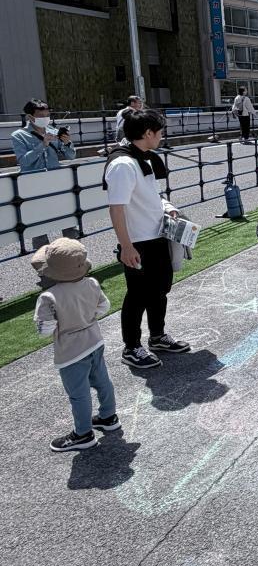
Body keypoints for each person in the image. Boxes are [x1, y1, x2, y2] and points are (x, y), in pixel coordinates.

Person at [105, 108, 190, 370]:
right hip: (138, 242)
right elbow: (116, 208)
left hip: (157, 236)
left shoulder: (144, 158)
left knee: (160, 289)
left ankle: (157, 336)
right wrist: (127, 246)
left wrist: (167, 207)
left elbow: (152, 195)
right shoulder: (123, 164)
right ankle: (131, 347)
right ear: (147, 133)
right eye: (160, 131)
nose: (162, 136)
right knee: (137, 296)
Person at [32, 238, 119, 454]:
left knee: (78, 393)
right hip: (94, 341)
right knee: (102, 380)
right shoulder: (92, 283)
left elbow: (44, 331)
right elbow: (104, 306)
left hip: (70, 352)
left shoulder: (48, 297)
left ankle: (83, 434)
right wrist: (86, 317)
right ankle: (109, 416)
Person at [12, 100, 61, 173]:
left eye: (47, 115)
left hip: (55, 177)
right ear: (30, 117)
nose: (45, 118)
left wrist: (67, 144)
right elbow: (24, 161)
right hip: (32, 179)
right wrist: (43, 145)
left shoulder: (54, 132)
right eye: (41, 116)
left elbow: (71, 156)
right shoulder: (18, 135)